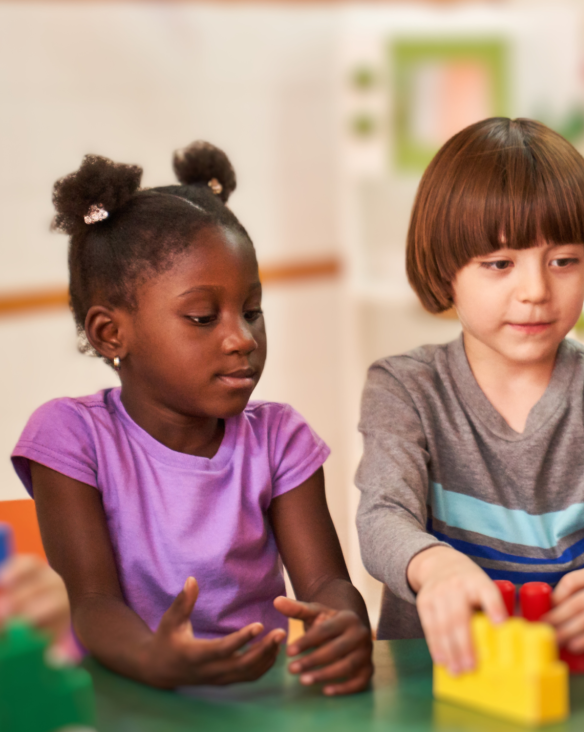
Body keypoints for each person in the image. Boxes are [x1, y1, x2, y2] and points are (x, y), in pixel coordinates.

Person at [11, 143, 373, 694]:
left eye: (251, 310)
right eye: (203, 317)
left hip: (264, 700)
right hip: (134, 699)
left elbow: (325, 582)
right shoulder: (72, 439)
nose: (242, 338)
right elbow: (93, 602)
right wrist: (152, 657)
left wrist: (344, 624)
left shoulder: (279, 439)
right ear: (112, 333)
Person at [355, 117, 584, 675]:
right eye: (499, 264)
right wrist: (435, 566)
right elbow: (383, 519)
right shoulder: (404, 387)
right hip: (435, 684)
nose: (535, 291)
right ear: (445, 271)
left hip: (582, 688)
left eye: (563, 261)